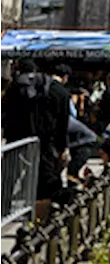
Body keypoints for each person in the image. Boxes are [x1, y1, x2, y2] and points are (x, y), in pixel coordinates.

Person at [0, 58, 69, 222]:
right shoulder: (60, 92)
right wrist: (62, 148)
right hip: (46, 143)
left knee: (10, 175)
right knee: (45, 179)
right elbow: (62, 125)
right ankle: (40, 218)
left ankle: (4, 210)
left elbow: (3, 113)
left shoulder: (16, 87)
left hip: (16, 140)